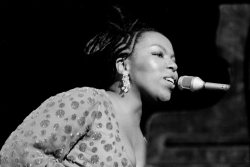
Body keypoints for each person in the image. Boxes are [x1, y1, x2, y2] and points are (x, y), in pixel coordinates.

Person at [0, 8, 178, 167]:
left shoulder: (148, 144)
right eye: (158, 54)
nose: (173, 66)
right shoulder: (88, 102)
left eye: (173, 59)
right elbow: (18, 151)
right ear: (124, 66)